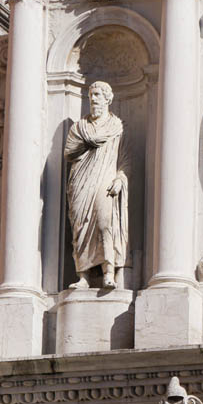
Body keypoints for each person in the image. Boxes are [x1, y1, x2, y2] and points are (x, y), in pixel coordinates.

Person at [65, 81, 128, 289]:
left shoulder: (116, 128)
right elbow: (69, 152)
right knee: (80, 227)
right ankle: (83, 276)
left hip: (105, 181)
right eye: (91, 95)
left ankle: (108, 272)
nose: (93, 99)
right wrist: (87, 143)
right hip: (81, 183)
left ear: (108, 99)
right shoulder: (79, 127)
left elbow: (125, 159)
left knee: (105, 224)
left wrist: (120, 179)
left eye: (98, 95)